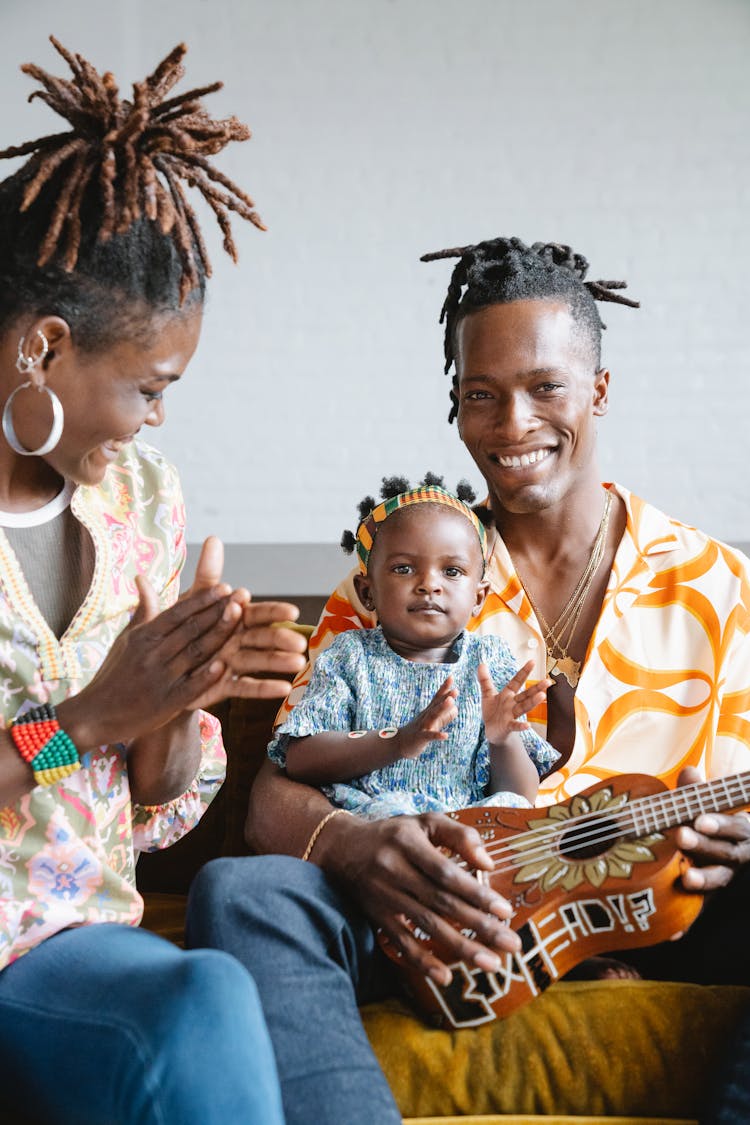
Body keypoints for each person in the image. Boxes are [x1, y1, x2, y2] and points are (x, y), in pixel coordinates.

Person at [186, 236, 750, 1125]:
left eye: (545, 387)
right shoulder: (401, 579)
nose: (512, 422)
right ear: (454, 408)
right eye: (480, 395)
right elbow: (276, 793)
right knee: (242, 890)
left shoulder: (719, 584)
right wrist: (349, 847)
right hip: (433, 919)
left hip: (661, 920)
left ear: (599, 389)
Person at [0, 37, 307, 1124]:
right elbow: (86, 733)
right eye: (146, 386)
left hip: (74, 950)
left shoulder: (140, 495)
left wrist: (184, 697)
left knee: (205, 990)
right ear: (41, 352)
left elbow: (154, 802)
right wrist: (85, 718)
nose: (158, 419)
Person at [273, 475, 557, 819]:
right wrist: (398, 741)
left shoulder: (488, 661)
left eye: (451, 571)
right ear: (367, 592)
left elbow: (519, 795)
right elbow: (300, 760)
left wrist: (503, 739)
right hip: (374, 824)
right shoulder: (350, 656)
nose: (428, 585)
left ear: (478, 597)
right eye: (404, 568)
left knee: (512, 812)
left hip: (462, 826)